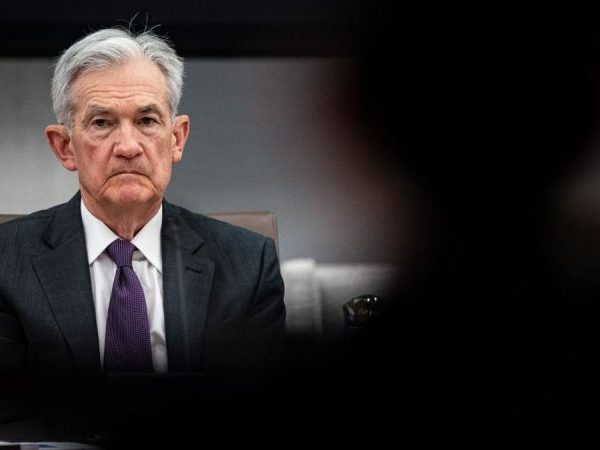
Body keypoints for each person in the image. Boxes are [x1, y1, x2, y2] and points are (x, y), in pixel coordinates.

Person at [0, 27, 285, 447]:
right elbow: (7, 419)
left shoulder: (246, 264)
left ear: (177, 139)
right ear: (65, 147)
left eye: (147, 121)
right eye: (102, 123)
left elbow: (259, 416)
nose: (128, 146)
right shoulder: (7, 261)